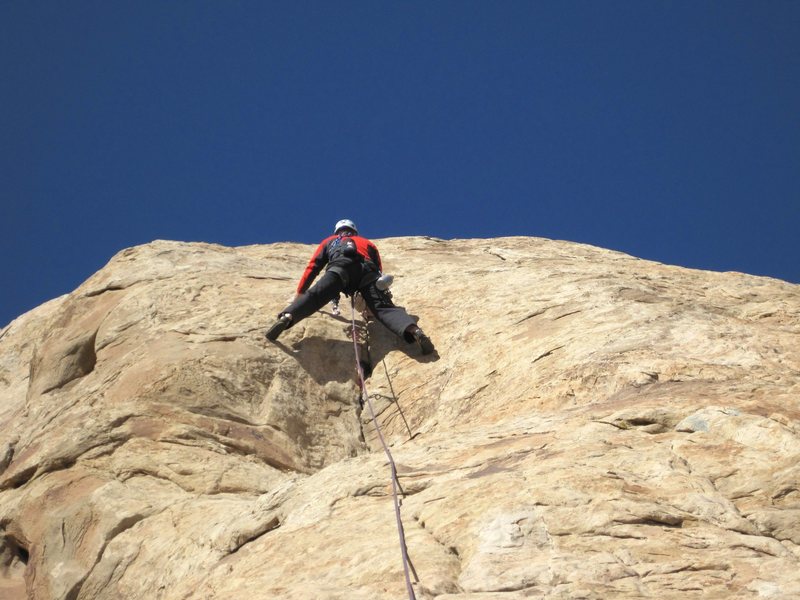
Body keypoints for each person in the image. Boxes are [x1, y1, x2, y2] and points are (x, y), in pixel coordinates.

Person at [266, 219, 435, 355]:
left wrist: (300, 291)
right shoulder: (367, 242)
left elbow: (313, 267)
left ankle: (287, 317)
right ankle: (414, 330)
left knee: (315, 296)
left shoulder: (329, 242)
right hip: (369, 274)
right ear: (355, 231)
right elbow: (378, 267)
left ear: (337, 231)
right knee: (385, 308)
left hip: (340, 269)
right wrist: (372, 294)